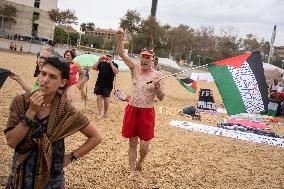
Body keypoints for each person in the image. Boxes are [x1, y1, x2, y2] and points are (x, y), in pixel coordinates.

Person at [4, 56, 102, 188]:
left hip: (52, 180)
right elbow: (11, 141)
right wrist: (31, 112)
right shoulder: (21, 102)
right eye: (43, 74)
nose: (45, 80)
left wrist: (71, 157)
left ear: (62, 82)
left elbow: (96, 137)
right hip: (20, 177)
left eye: (52, 77)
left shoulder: (65, 110)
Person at [116, 29, 165, 178]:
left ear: (152, 60)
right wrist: (120, 39)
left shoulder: (158, 75)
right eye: (142, 58)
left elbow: (162, 97)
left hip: (147, 112)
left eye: (147, 58)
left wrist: (157, 87)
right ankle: (132, 170)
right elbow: (122, 54)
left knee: (144, 146)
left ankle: (141, 161)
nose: (144, 61)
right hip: (132, 109)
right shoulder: (135, 68)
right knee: (132, 142)